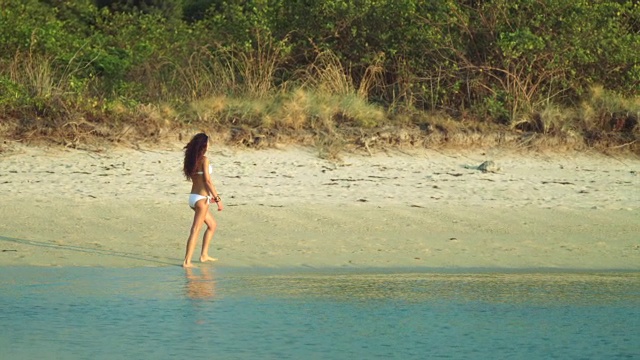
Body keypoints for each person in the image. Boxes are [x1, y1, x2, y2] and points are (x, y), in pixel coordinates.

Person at [182, 132, 224, 267]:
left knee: (212, 225)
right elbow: (207, 181)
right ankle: (187, 261)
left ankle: (204, 255)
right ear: (204, 145)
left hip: (193, 197)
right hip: (201, 199)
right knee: (195, 229)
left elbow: (200, 181)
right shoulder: (204, 160)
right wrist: (217, 199)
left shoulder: (192, 159)